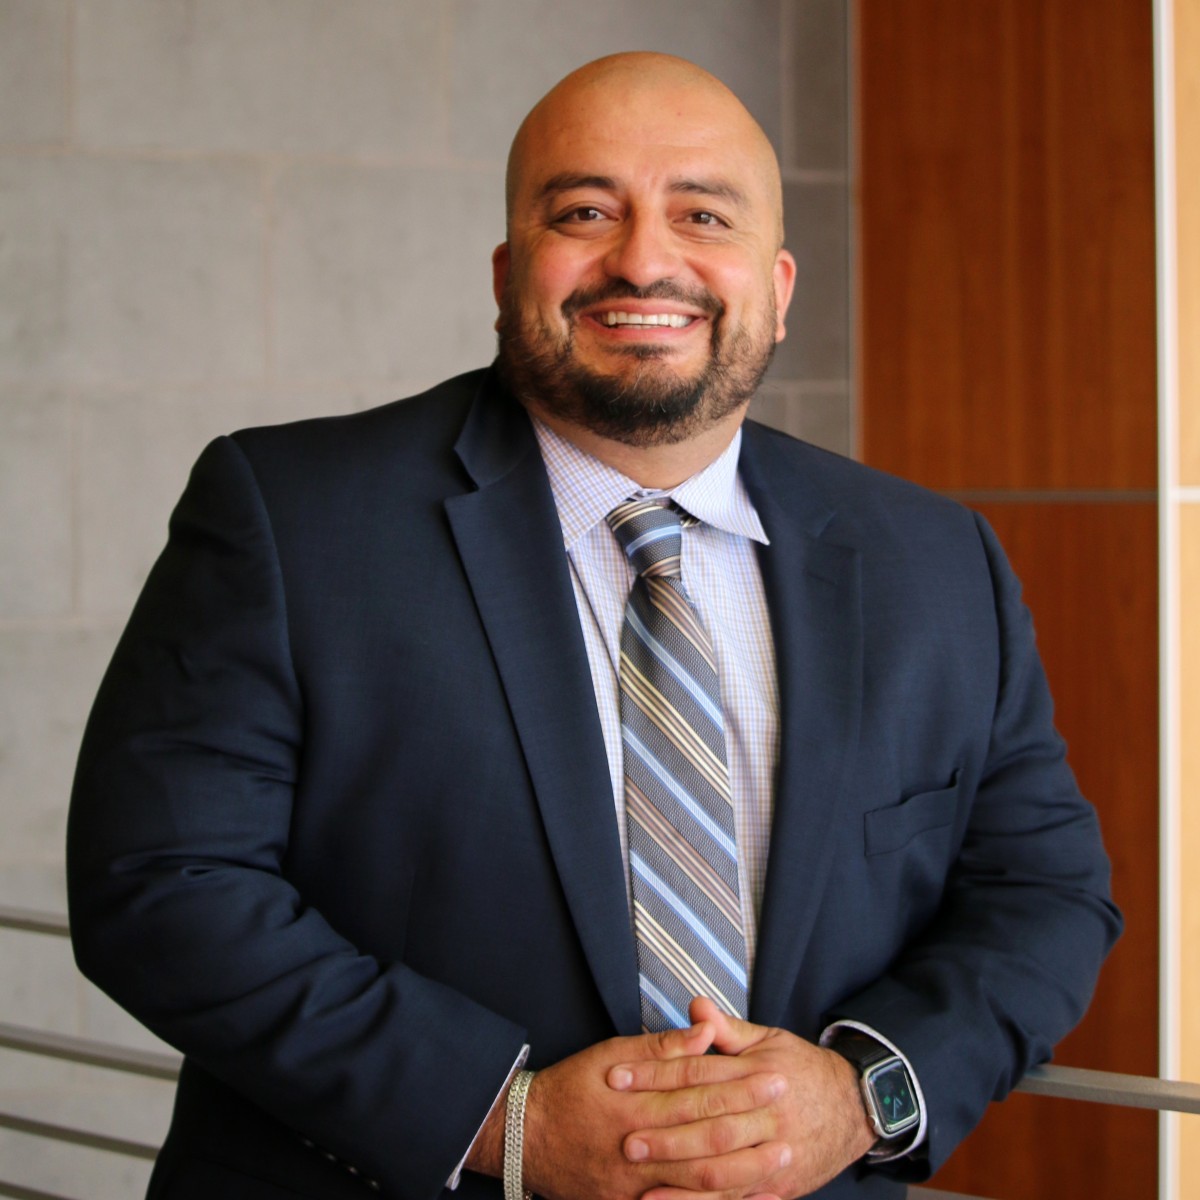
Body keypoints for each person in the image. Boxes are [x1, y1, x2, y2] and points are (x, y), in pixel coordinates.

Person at [67, 52, 1121, 1200]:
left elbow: (1046, 893)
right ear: (509, 269)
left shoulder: (935, 560)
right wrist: (502, 1121)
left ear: (777, 285)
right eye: (585, 210)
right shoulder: (289, 517)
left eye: (700, 212)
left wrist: (862, 1093)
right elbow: (162, 881)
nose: (644, 258)